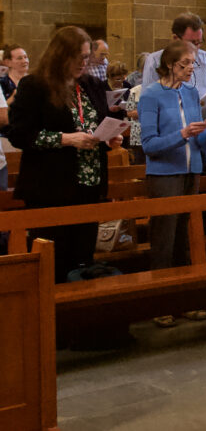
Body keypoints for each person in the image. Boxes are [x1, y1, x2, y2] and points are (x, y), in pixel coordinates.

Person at [7, 26, 122, 282]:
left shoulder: (91, 84)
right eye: (78, 57)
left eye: (86, 57)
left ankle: (80, 316)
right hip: (51, 186)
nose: (84, 63)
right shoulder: (35, 85)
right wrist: (66, 139)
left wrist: (109, 138)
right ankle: (50, 314)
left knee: (83, 260)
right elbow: (20, 135)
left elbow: (98, 123)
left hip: (89, 184)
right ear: (60, 55)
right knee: (54, 260)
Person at [139, 41, 206, 327]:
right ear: (170, 65)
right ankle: (160, 303)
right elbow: (149, 145)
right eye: (185, 63)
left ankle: (185, 301)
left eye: (193, 64)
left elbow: (197, 140)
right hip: (164, 174)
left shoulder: (189, 93)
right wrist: (183, 134)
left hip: (191, 170)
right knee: (164, 239)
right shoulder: (151, 95)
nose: (190, 69)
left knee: (186, 238)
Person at [142, 12, 206, 98]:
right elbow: (148, 99)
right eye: (191, 43)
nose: (195, 48)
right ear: (175, 38)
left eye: (199, 42)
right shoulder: (154, 60)